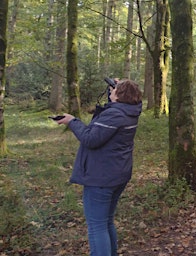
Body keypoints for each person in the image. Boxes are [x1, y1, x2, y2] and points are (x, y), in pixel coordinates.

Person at [54, 79, 143, 256]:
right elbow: (118, 107)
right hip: (117, 174)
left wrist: (72, 121)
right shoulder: (131, 110)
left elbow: (91, 139)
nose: (111, 91)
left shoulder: (115, 115)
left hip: (102, 177)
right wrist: (120, 89)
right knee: (106, 222)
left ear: (120, 95)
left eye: (114, 90)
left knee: (97, 226)